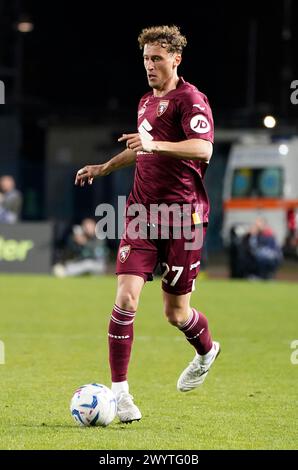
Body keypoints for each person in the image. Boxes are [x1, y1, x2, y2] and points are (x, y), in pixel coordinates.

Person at [75, 25, 220, 423]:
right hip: (141, 214)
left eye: (157, 58)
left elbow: (203, 148)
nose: (150, 66)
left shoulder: (191, 99)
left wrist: (155, 144)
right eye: (145, 59)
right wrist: (104, 167)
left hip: (183, 218)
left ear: (176, 59)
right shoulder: (144, 101)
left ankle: (207, 351)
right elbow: (140, 150)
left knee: (176, 314)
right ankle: (121, 395)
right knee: (125, 299)